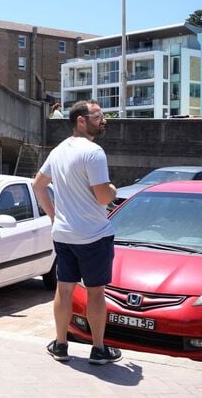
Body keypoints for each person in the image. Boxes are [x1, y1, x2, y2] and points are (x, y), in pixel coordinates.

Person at [32, 99, 121, 366]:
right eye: (98, 116)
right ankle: (98, 349)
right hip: (93, 234)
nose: (104, 120)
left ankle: (60, 344)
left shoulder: (59, 150)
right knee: (95, 292)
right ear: (81, 120)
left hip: (64, 235)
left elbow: (38, 185)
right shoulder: (94, 152)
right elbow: (103, 196)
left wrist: (53, 217)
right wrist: (113, 190)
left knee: (64, 289)